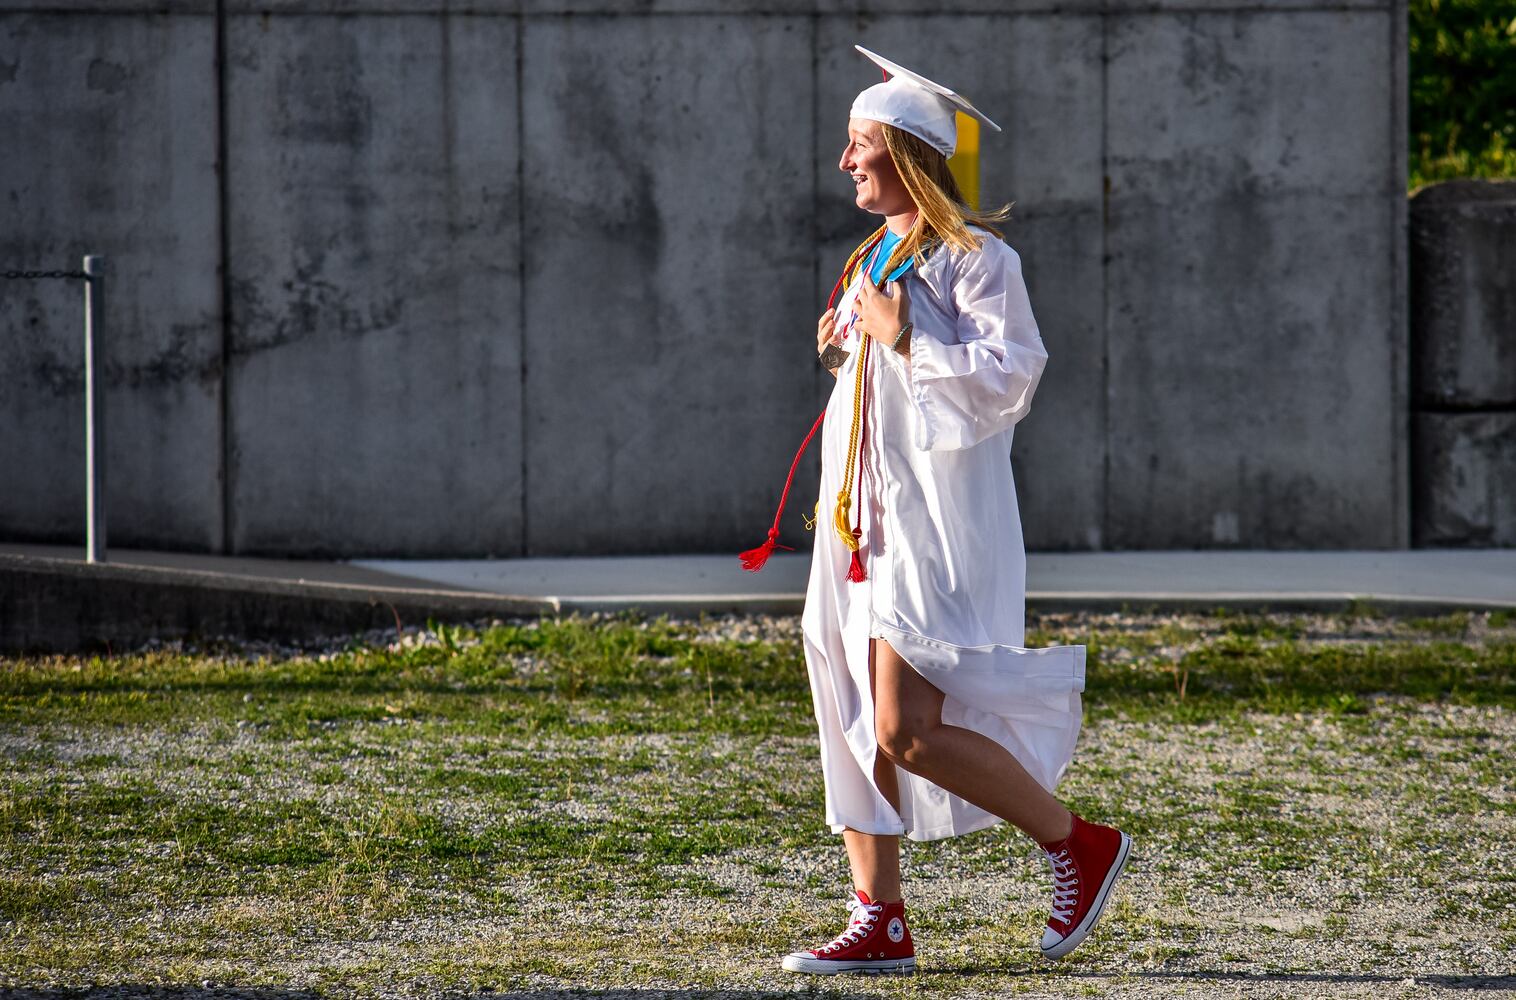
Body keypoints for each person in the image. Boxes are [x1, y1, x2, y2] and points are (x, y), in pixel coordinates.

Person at [751, 46, 1133, 975]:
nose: (844, 161)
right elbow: (885, 393)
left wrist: (902, 330)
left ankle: (1078, 843)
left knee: (905, 728)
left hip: (930, 532)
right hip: (858, 526)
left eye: (860, 145)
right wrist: (850, 345)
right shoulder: (874, 252)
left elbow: (1011, 380)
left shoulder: (978, 260)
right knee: (850, 710)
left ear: (911, 155)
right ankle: (878, 917)